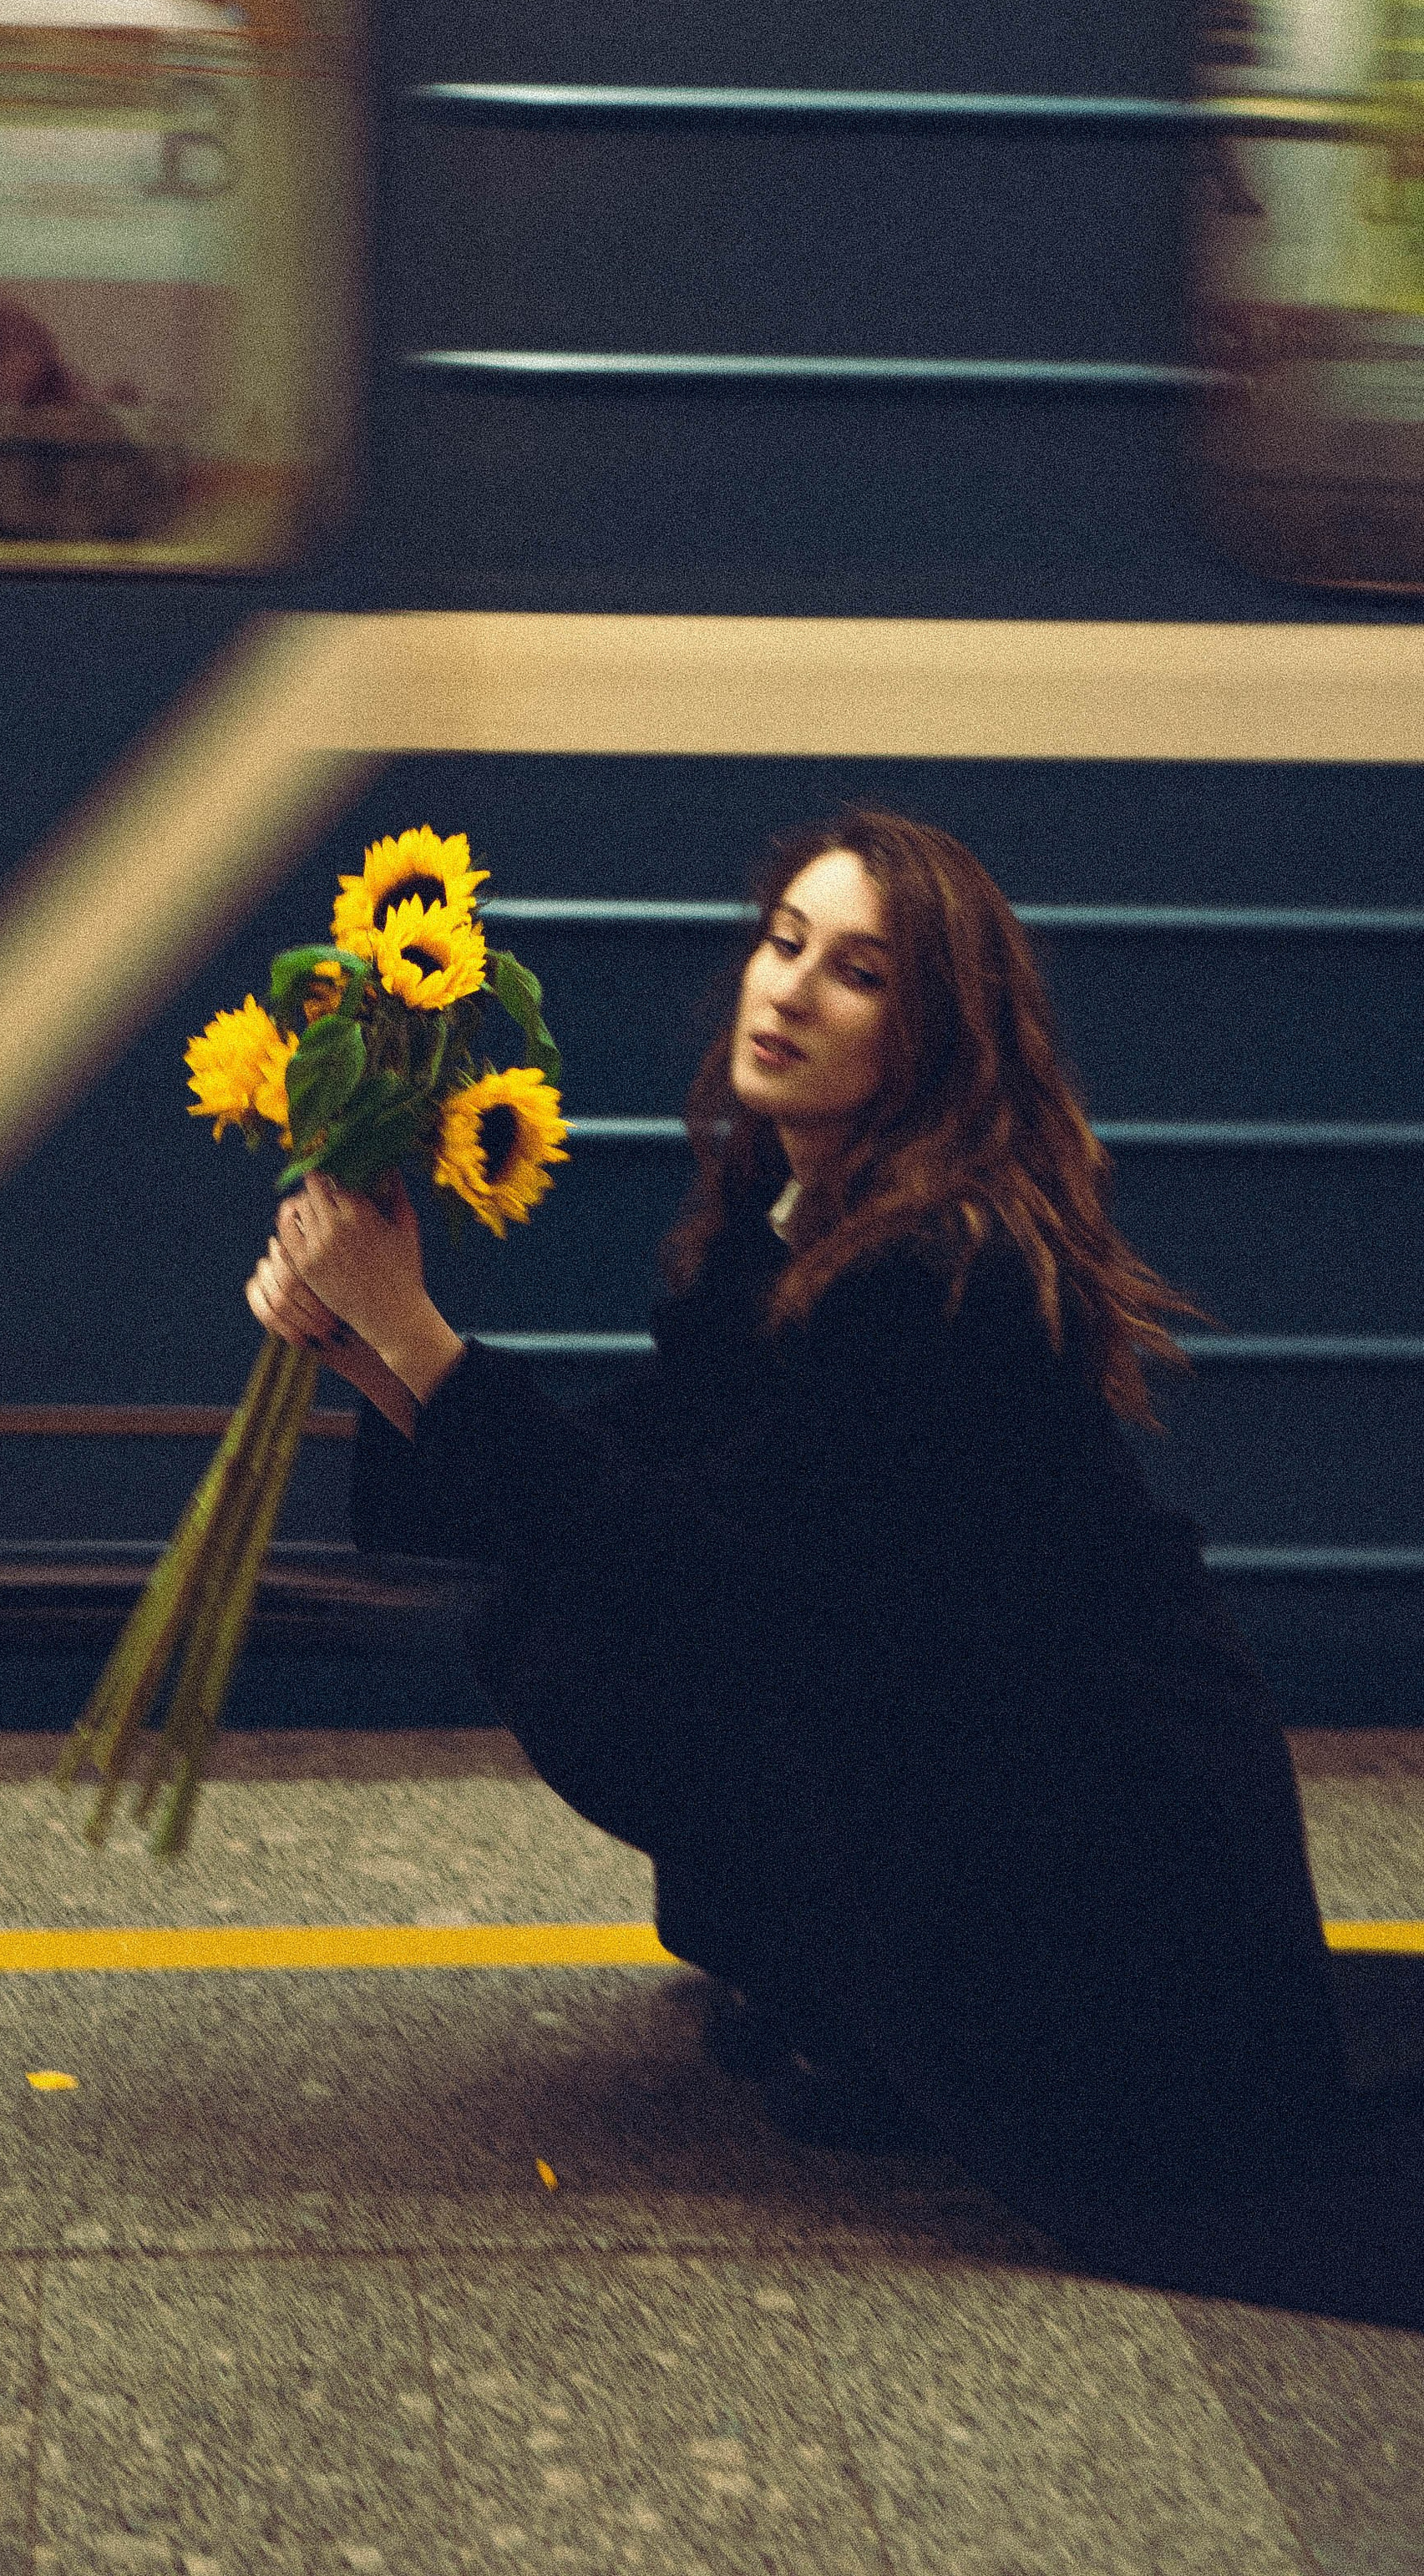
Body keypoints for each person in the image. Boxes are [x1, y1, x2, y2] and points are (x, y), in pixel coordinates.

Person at [246, 807, 1424, 2326]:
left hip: (1102, 1869)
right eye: (783, 941)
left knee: (624, 1626)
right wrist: (366, 1346)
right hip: (1005, 1778)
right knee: (584, 1606)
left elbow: (698, 1562)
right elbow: (645, 1463)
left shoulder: (942, 1273)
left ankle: (880, 2005)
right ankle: (845, 1984)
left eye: (857, 972)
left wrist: (414, 1333)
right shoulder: (799, 1216)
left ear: (937, 1040)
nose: (787, 990)